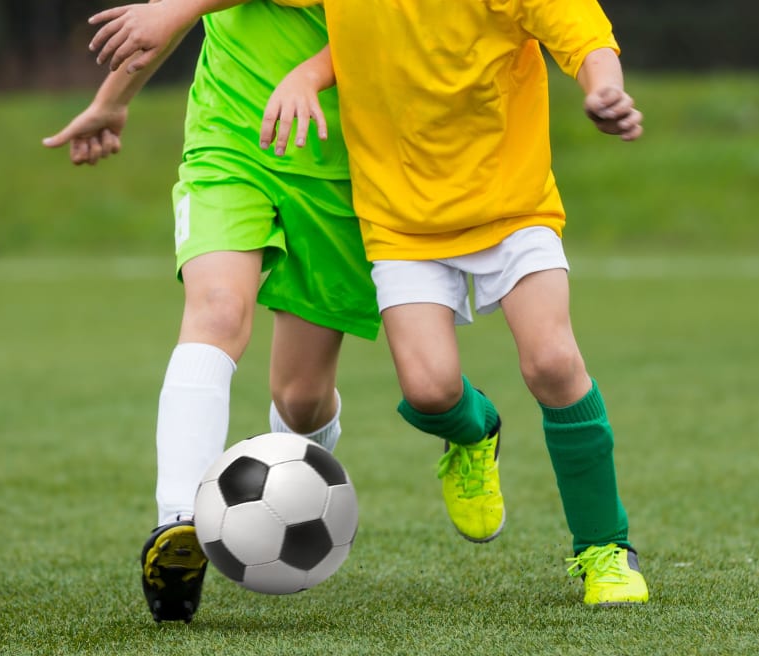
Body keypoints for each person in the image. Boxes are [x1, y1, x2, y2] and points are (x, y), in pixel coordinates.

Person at [90, 0, 649, 606]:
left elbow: (586, 39)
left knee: (552, 362)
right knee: (429, 391)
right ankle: (475, 429)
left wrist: (604, 90)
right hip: (399, 221)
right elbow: (357, 43)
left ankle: (605, 550)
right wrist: (304, 74)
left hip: (511, 204)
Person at [43, 0, 379, 623]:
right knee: (218, 310)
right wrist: (115, 97)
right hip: (230, 145)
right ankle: (177, 530)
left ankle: (296, 479)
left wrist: (175, 12)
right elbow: (164, 14)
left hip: (338, 166)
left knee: (302, 398)